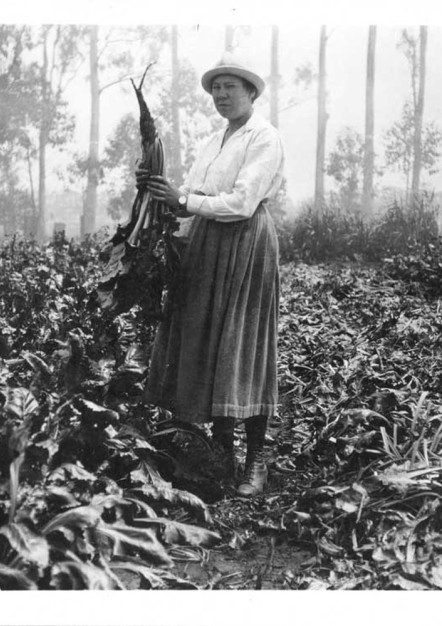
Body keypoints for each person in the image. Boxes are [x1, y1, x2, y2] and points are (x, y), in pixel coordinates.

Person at [137, 53, 284, 497]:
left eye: (230, 88)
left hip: (245, 244)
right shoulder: (216, 139)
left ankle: (256, 459)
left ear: (251, 92)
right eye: (216, 88)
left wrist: (185, 201)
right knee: (212, 343)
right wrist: (164, 192)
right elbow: (197, 194)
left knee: (244, 343)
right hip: (207, 244)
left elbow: (241, 202)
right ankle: (224, 455)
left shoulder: (264, 138)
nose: (221, 95)